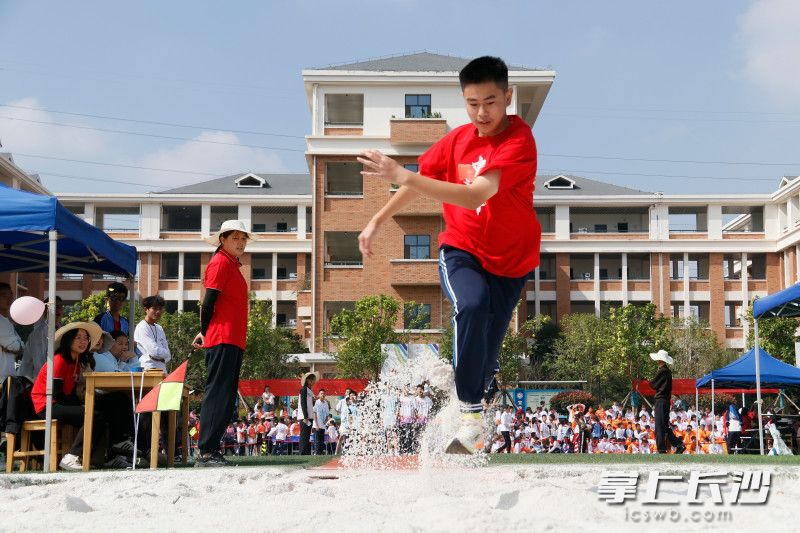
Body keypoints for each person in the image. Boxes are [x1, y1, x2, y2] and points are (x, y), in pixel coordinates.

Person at [357, 56, 539, 454]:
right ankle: (471, 417)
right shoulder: (456, 140)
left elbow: (477, 193)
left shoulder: (518, 142)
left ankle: (464, 406)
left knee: (489, 357)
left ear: (507, 97)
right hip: (463, 250)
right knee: (471, 306)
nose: (481, 112)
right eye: (472, 103)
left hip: (511, 263)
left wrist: (403, 173)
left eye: (490, 101)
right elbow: (420, 181)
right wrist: (376, 220)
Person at [192, 220, 255, 467]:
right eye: (235, 238)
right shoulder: (219, 262)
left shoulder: (232, 265)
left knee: (226, 397)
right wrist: (204, 331)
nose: (240, 242)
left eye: (243, 238)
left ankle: (211, 450)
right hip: (222, 337)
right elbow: (208, 303)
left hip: (232, 339)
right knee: (218, 394)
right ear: (223, 240)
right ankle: (206, 452)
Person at [30, 321, 130, 470]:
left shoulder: (79, 361)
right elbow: (57, 394)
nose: (83, 342)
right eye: (78, 338)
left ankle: (115, 447)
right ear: (68, 339)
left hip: (64, 402)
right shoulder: (59, 360)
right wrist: (84, 406)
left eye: (86, 338)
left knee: (118, 398)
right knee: (94, 414)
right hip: (47, 404)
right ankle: (71, 457)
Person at [648, 349, 685, 454]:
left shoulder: (662, 371)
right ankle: (678, 444)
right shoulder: (667, 371)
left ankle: (662, 448)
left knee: (660, 425)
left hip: (661, 400)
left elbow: (653, 384)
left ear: (659, 360)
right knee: (664, 425)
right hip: (665, 400)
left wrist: (649, 380)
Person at [19, 296, 63, 382]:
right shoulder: (39, 333)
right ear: (45, 310)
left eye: (60, 307)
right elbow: (39, 360)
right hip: (39, 380)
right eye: (54, 306)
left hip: (57, 377)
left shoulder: (61, 329)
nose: (58, 310)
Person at [134, 295, 171, 373]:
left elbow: (169, 356)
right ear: (146, 309)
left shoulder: (159, 328)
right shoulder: (142, 327)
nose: (158, 312)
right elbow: (154, 351)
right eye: (154, 308)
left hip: (162, 369)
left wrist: (163, 355)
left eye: (160, 309)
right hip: (148, 369)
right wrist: (164, 354)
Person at [0, 283, 23, 384]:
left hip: (7, 377)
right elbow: (16, 346)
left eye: (10, 295)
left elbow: (21, 346)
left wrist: (18, 347)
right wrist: (17, 347)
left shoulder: (7, 321)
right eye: (4, 295)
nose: (9, 299)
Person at [298, 370, 318, 455]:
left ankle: (306, 453)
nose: (313, 381)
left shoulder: (310, 390)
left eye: (313, 379)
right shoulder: (303, 389)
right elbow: (303, 403)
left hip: (309, 416)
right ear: (307, 380)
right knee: (303, 436)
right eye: (311, 379)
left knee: (307, 436)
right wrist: (305, 417)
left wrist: (314, 400)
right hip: (304, 417)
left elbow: (310, 404)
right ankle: (302, 453)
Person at [313, 388, 330, 455]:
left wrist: (325, 421)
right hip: (316, 425)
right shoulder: (317, 402)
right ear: (319, 395)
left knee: (321, 440)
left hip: (323, 425)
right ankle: (316, 453)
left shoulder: (326, 403)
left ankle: (320, 453)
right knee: (317, 441)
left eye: (324, 394)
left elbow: (327, 414)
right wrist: (316, 425)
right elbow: (314, 413)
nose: (323, 395)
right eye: (321, 393)